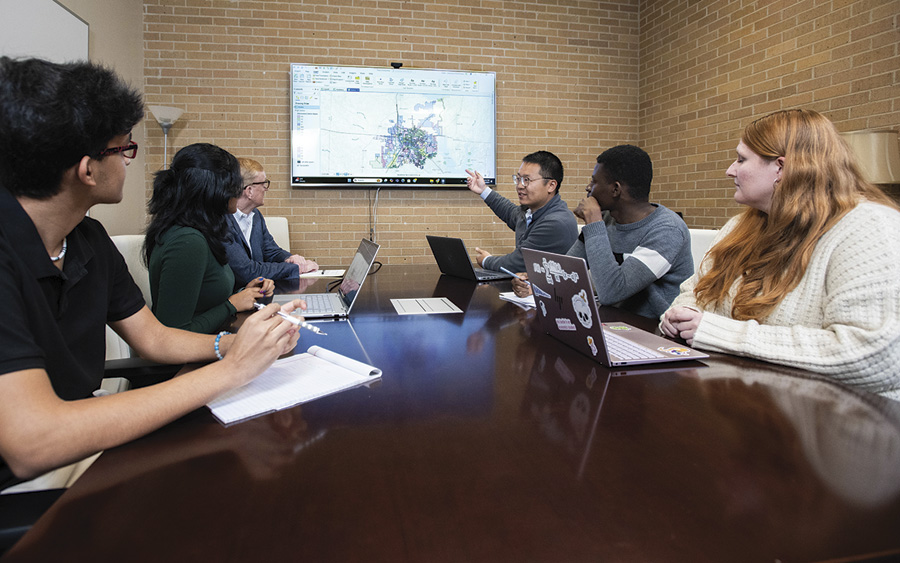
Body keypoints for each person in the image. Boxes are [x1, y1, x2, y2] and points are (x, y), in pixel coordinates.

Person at [0, 56, 302, 493]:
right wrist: (232, 368)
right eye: (124, 150)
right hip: (27, 485)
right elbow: (33, 442)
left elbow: (154, 338)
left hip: (83, 438)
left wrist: (239, 343)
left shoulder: (87, 237)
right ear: (87, 169)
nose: (129, 162)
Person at [661, 109, 900, 400]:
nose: (730, 170)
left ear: (782, 168)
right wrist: (684, 316)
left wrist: (718, 333)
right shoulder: (738, 226)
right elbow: (694, 293)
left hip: (840, 422)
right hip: (744, 402)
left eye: (741, 159)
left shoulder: (869, 228)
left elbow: (873, 355)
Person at [511, 145, 693, 319]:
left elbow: (612, 292)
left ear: (615, 189)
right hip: (614, 320)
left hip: (655, 330)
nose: (588, 188)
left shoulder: (667, 230)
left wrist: (593, 221)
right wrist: (535, 283)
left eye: (594, 181)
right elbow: (566, 270)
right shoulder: (606, 219)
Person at [146, 145, 276, 334]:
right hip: (190, 360)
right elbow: (173, 334)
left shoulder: (201, 233)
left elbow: (204, 302)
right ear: (216, 190)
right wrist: (231, 305)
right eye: (235, 183)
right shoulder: (187, 242)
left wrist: (244, 294)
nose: (239, 190)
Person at [465, 150, 579, 273]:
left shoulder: (555, 222)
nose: (519, 185)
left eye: (527, 180)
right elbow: (510, 212)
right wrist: (484, 190)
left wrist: (486, 260)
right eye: (518, 179)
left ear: (551, 185)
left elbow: (517, 263)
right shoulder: (533, 211)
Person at [224, 158, 318, 288]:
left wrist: (290, 258)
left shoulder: (256, 216)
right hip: (236, 299)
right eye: (263, 184)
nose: (266, 189)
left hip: (260, 291)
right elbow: (247, 271)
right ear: (249, 190)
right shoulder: (223, 221)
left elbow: (271, 251)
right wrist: (295, 268)